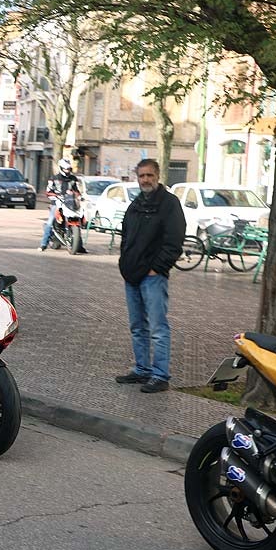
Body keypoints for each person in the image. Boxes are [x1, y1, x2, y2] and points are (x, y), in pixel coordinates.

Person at [115, 158, 185, 393]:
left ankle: (160, 375)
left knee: (158, 328)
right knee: (137, 326)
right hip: (132, 275)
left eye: (149, 175)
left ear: (157, 176)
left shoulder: (169, 204)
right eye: (142, 176)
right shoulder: (136, 204)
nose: (145, 180)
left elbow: (174, 240)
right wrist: (124, 262)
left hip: (153, 276)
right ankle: (142, 369)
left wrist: (158, 267)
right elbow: (125, 235)